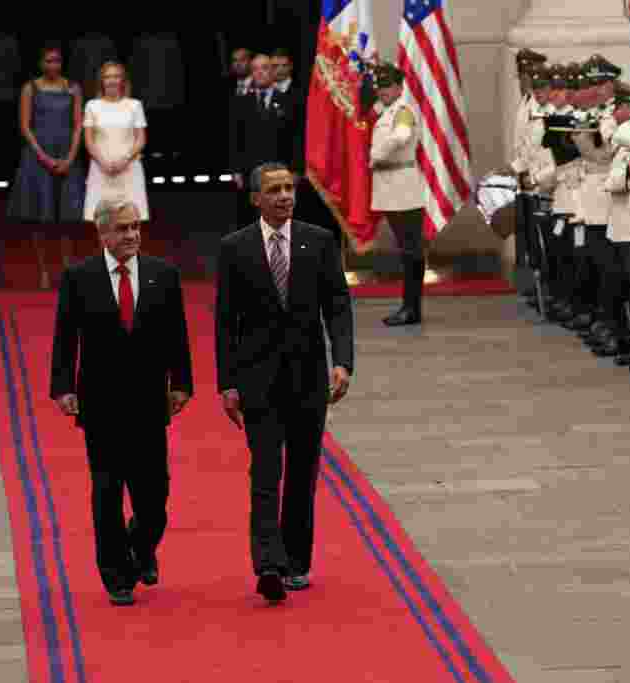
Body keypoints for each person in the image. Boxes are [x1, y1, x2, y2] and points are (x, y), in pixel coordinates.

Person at [214, 162, 354, 604]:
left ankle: (297, 559)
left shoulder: (320, 241)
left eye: (289, 189)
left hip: (309, 378)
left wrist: (343, 362)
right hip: (258, 381)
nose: (284, 197)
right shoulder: (235, 248)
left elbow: (337, 306)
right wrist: (227, 383)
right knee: (266, 472)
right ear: (255, 198)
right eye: (273, 190)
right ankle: (268, 563)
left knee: (301, 475)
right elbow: (225, 323)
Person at [49, 198, 194, 606]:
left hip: (150, 403)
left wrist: (182, 383)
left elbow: (177, 336)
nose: (132, 235)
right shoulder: (79, 277)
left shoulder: (163, 275)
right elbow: (65, 338)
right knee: (107, 492)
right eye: (123, 229)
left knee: (154, 498)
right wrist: (63, 387)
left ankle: (141, 545)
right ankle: (116, 574)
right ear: (103, 234)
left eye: (135, 227)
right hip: (101, 406)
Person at [6, 44, 86, 289]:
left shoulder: (73, 88)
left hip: (66, 155)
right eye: (49, 61)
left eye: (57, 61)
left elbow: (78, 125)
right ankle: (43, 271)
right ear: (41, 63)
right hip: (38, 155)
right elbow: (25, 126)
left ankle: (67, 268)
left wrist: (71, 157)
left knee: (67, 218)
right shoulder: (30, 88)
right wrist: (44, 157)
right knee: (40, 218)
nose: (53, 65)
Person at [370, 61, 427, 326]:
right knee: (407, 250)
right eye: (380, 86)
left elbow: (402, 136)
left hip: (403, 186)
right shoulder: (386, 111)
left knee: (411, 250)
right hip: (391, 185)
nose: (383, 91)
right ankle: (409, 306)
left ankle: (411, 307)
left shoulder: (402, 111)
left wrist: (376, 155)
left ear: (399, 87)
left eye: (388, 86)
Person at [229, 54, 298, 229]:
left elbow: (295, 137)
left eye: (265, 68)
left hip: (280, 171)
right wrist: (236, 169)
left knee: (281, 218)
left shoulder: (287, 100)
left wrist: (296, 169)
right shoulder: (241, 102)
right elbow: (235, 138)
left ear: (272, 71)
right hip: (250, 171)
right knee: (252, 220)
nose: (259, 73)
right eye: (255, 69)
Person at [83, 62, 150, 223]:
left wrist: (125, 160)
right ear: (101, 81)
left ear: (122, 80)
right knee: (101, 222)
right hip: (101, 170)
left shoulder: (134, 105)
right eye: (107, 77)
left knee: (131, 222)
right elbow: (89, 141)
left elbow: (141, 139)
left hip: (129, 170)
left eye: (116, 76)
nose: (112, 80)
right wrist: (103, 162)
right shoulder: (92, 106)